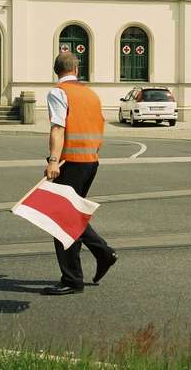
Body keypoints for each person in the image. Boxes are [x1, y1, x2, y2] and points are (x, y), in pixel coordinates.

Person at [41, 52, 117, 296]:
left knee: (62, 219)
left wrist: (53, 160)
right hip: (90, 162)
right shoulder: (90, 94)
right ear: (76, 69)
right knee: (69, 215)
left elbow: (58, 127)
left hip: (69, 162)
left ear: (56, 70)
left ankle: (77, 274)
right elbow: (99, 125)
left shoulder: (58, 92)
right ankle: (99, 256)